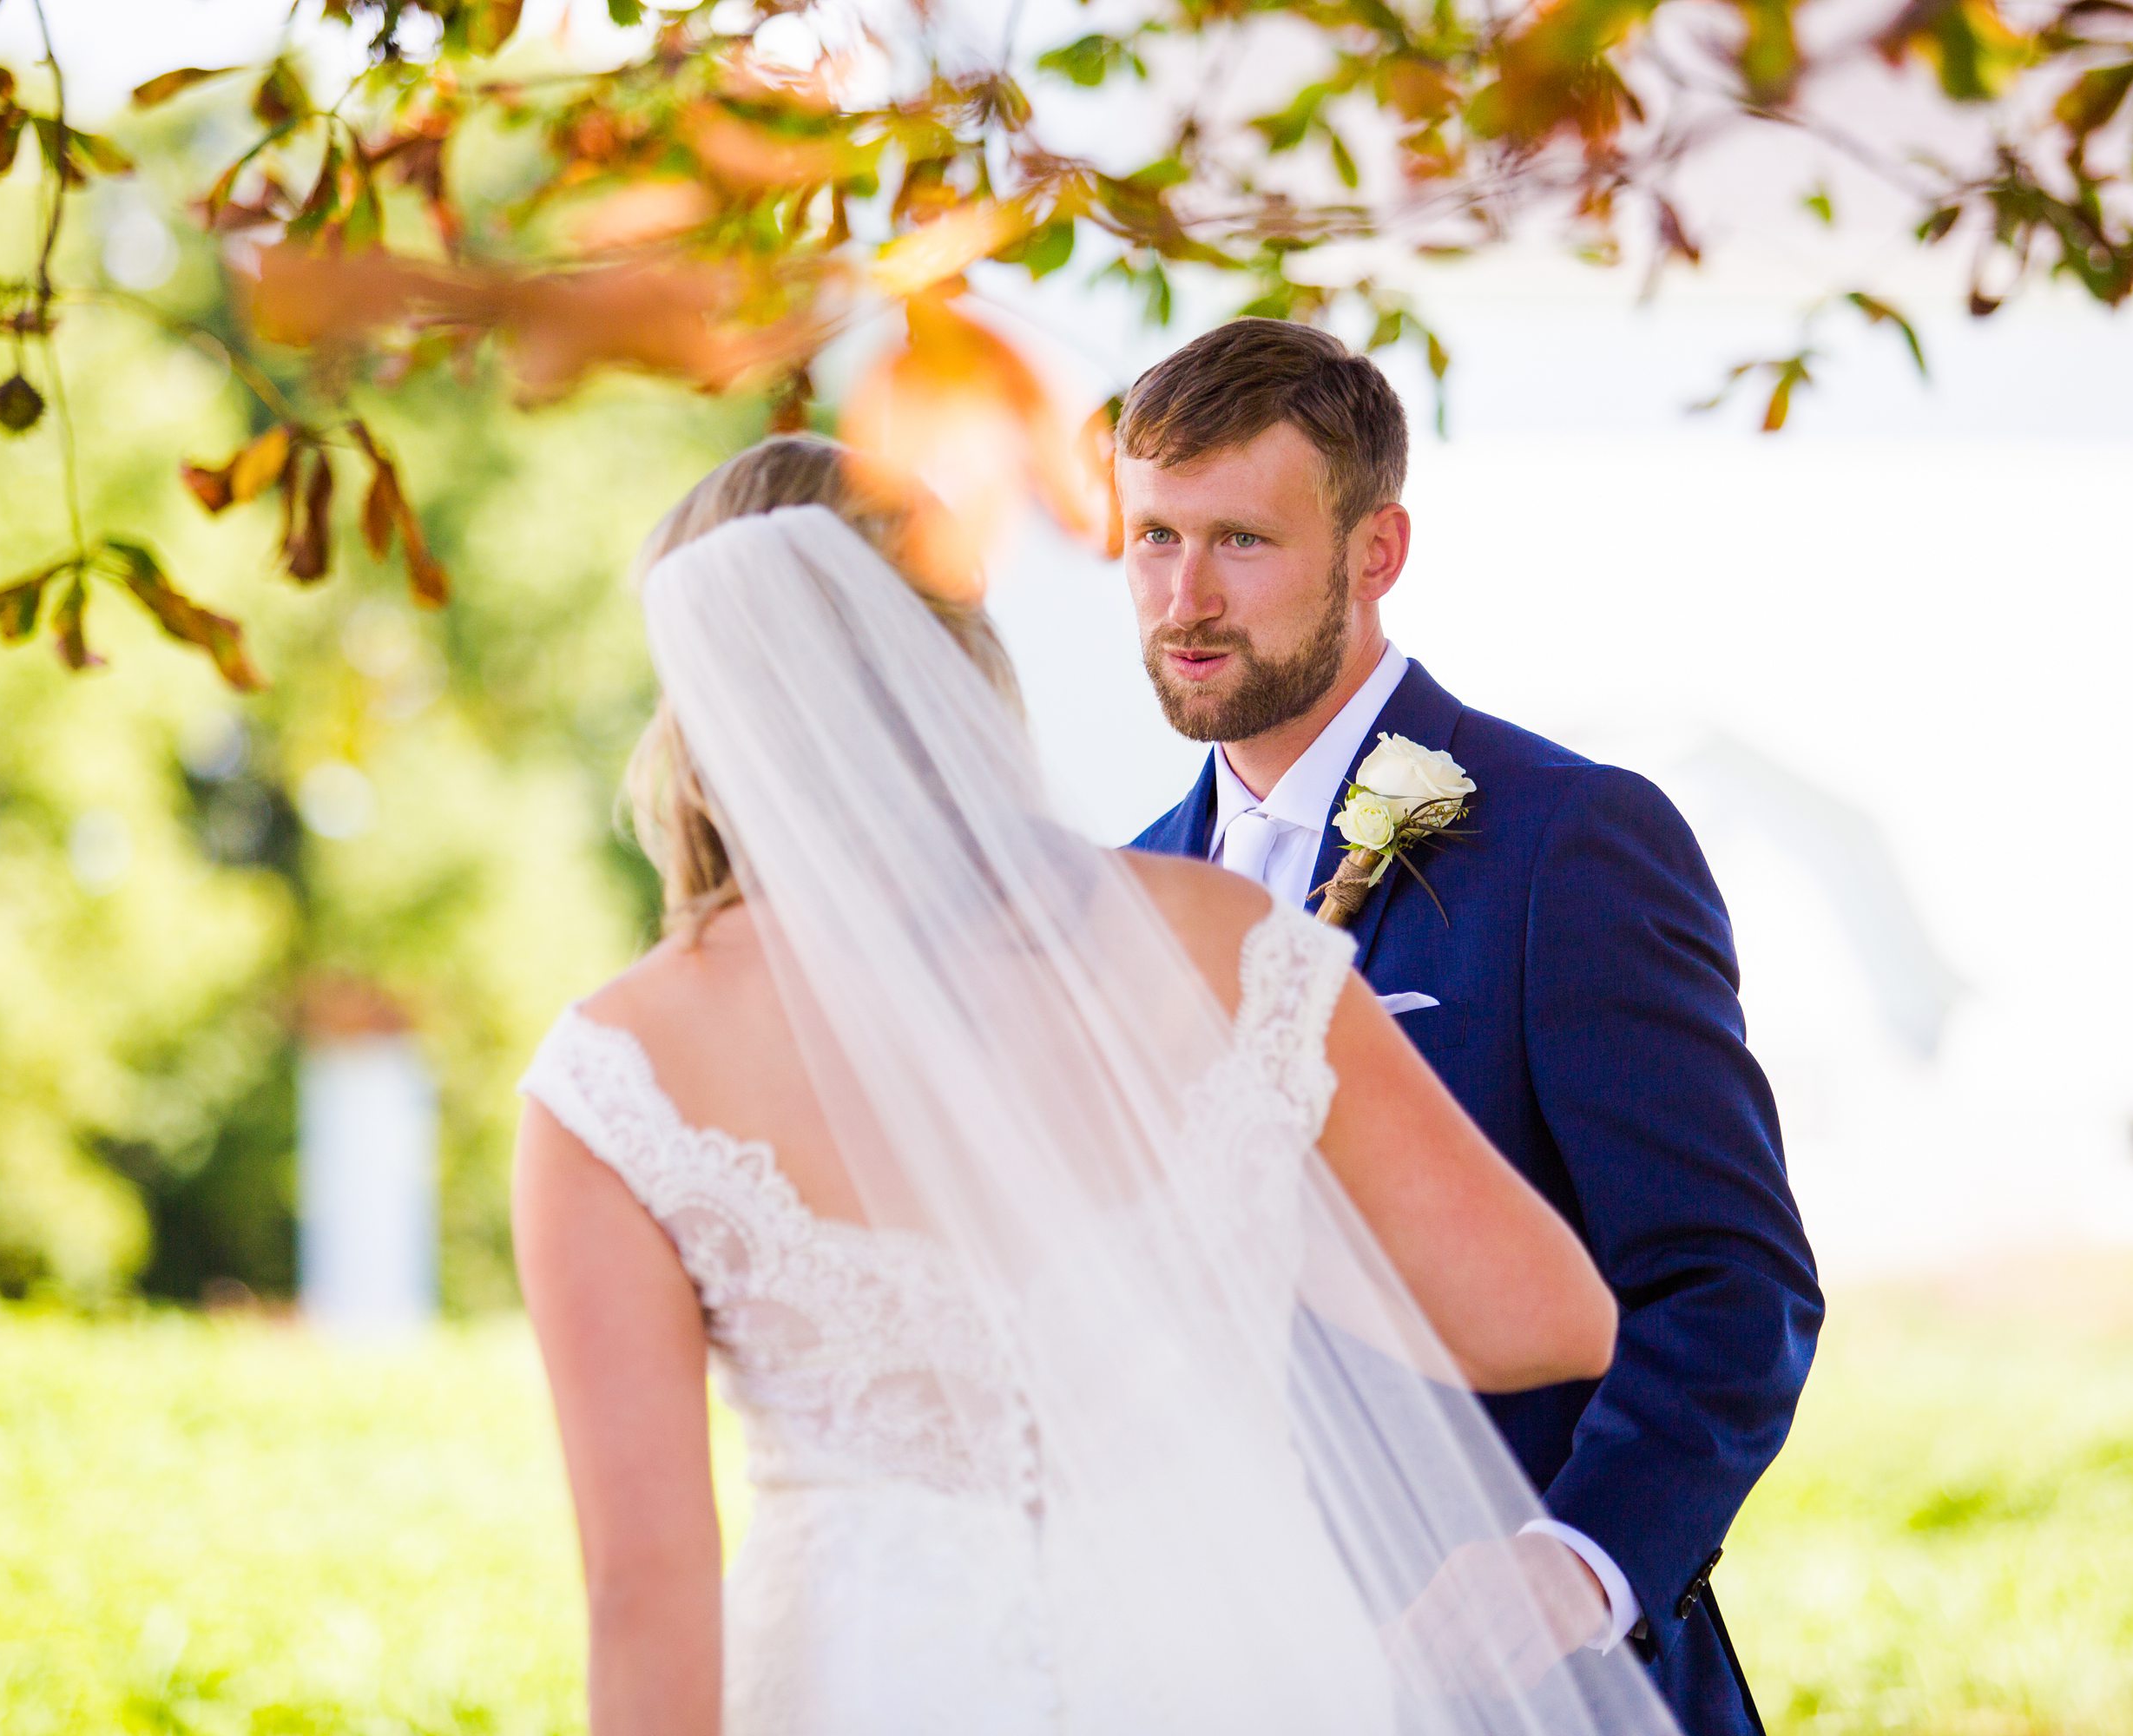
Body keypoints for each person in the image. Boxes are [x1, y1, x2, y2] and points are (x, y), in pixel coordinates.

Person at [510, 435, 1681, 1735]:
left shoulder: (620, 1072)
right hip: (1246, 1674)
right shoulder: (1220, 941)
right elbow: (1553, 1317)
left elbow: (642, 1590)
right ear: (959, 651)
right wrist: (1239, 1227)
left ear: (703, 699)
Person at [1122, 319, 1826, 1736]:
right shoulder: (1118, 895)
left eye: (1241, 543)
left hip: (1538, 1693)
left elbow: (1732, 1289)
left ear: (1376, 554)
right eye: (1153, 538)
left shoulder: (1572, 839)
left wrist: (1576, 1567)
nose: (1184, 597)